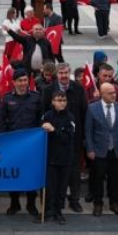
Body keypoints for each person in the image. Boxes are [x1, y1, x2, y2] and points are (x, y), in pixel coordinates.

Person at [85, 82, 118, 217]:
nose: (114, 95)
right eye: (110, 93)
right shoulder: (92, 108)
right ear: (102, 94)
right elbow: (88, 131)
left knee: (116, 179)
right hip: (99, 150)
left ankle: (114, 203)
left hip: (117, 150)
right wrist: (90, 149)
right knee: (97, 178)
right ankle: (98, 203)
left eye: (114, 92)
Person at [3, 69, 43, 219]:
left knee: (30, 174)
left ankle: (31, 204)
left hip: (31, 144)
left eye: (25, 80)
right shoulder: (7, 99)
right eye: (19, 81)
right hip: (13, 144)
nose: (22, 83)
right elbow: (2, 121)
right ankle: (14, 203)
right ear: (14, 82)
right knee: (13, 175)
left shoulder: (36, 98)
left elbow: (41, 119)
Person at [42, 90, 75, 224]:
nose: (61, 103)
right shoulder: (47, 116)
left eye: (64, 100)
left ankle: (58, 212)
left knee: (61, 187)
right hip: (49, 157)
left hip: (65, 158)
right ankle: (46, 210)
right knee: (50, 186)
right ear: (53, 102)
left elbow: (68, 137)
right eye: (58, 100)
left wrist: (54, 131)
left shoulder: (70, 118)